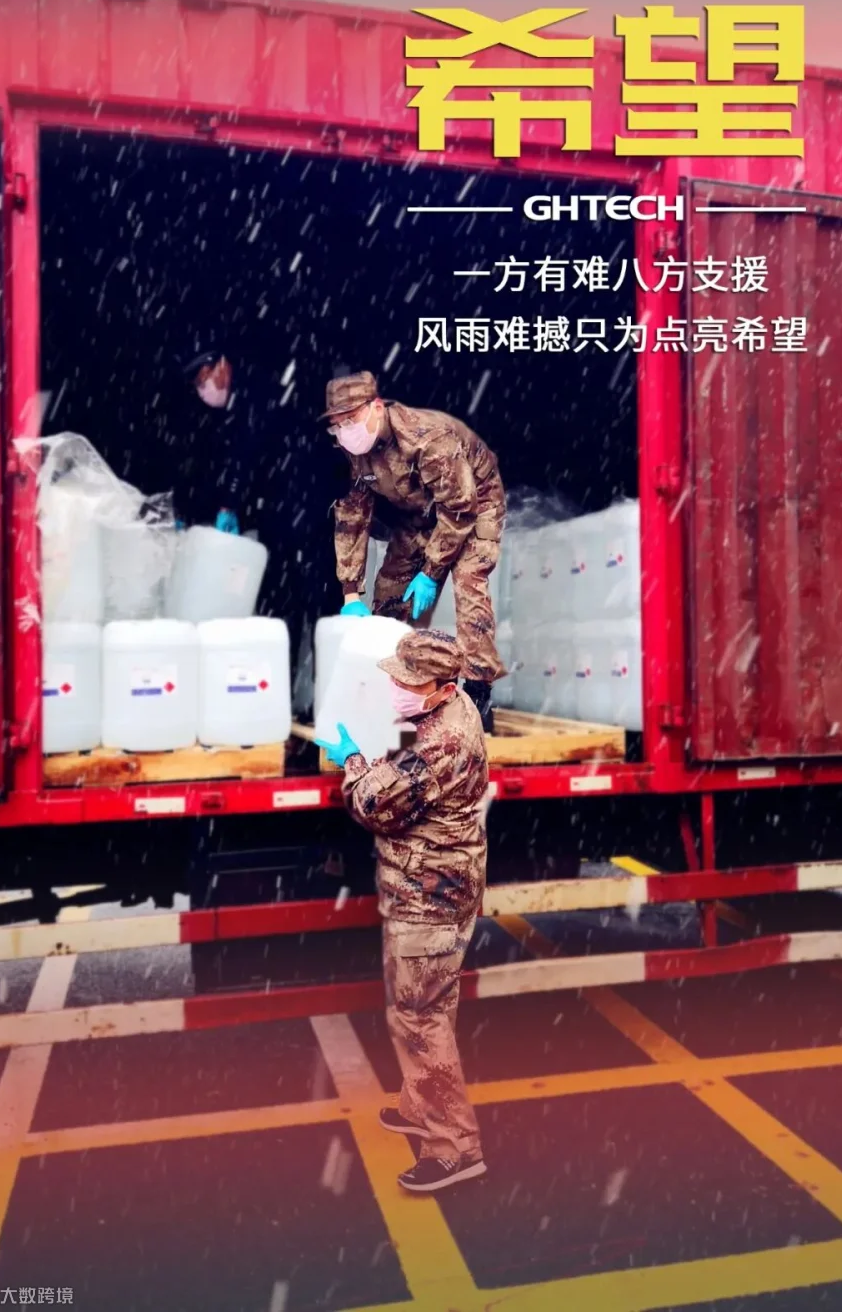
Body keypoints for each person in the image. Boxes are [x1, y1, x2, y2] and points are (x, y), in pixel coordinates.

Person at [316, 629, 489, 1193]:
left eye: (408, 683)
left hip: (430, 893)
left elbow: (374, 804)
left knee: (420, 1017)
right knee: (423, 1005)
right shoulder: (455, 707)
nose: (396, 687)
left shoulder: (444, 743)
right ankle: (420, 1106)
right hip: (436, 883)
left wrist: (354, 761)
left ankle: (454, 1147)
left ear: (443, 687)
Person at [322, 371, 506, 732]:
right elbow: (352, 516)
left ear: (377, 407)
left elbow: (459, 508)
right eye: (337, 424)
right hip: (419, 511)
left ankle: (478, 694)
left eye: (351, 419)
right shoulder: (353, 449)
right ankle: (395, 685)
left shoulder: (426, 437)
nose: (345, 430)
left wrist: (430, 572)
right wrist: (350, 592)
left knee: (469, 582)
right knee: (391, 592)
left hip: (474, 502)